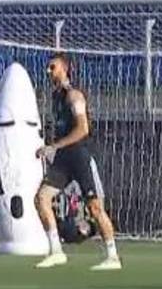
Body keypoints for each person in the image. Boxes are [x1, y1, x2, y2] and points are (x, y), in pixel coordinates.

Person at [34, 53, 121, 271]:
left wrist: (55, 146)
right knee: (41, 198)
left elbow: (83, 129)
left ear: (64, 69)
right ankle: (56, 251)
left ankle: (112, 256)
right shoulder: (55, 98)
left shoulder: (74, 96)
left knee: (94, 207)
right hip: (64, 159)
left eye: (52, 67)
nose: (48, 71)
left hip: (79, 156)